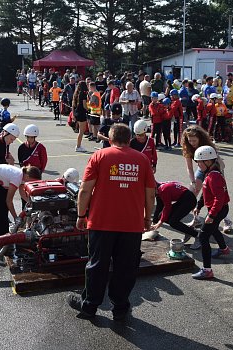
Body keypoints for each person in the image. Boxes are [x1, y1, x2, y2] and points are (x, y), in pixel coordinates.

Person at [67, 123, 155, 320]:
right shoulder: (142, 160)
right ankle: (121, 307)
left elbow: (85, 189)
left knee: (97, 264)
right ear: (130, 138)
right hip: (131, 224)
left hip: (101, 222)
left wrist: (81, 216)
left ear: (110, 138)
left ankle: (89, 306)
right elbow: (150, 194)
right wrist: (147, 218)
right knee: (125, 267)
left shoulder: (99, 156)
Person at [181, 125, 232, 234]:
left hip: (214, 169)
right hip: (201, 169)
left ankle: (226, 220)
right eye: (190, 140)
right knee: (192, 193)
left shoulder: (207, 146)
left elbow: (218, 164)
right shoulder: (188, 147)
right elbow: (189, 168)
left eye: (194, 140)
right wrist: (193, 181)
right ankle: (196, 219)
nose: (192, 143)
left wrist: (216, 176)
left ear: (200, 138)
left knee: (217, 196)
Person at [191, 146, 230, 280]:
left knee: (203, 237)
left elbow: (219, 199)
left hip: (218, 209)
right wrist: (199, 205)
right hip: (217, 209)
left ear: (208, 161)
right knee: (212, 230)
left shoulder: (214, 176)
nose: (198, 165)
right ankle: (224, 249)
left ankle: (207, 270)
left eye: (199, 162)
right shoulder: (210, 174)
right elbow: (206, 191)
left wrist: (212, 215)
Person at [150, 181, 200, 249]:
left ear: (154, 188)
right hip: (183, 199)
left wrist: (160, 223)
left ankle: (198, 236)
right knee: (160, 216)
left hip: (189, 200)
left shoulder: (163, 190)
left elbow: (167, 207)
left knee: (173, 222)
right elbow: (159, 207)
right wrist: (154, 223)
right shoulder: (159, 189)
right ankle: (188, 230)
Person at [72, 81, 89, 152]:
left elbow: (73, 105)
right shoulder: (83, 94)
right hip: (82, 113)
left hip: (77, 112)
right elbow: (84, 105)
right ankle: (78, 146)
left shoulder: (76, 93)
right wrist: (88, 109)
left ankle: (79, 145)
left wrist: (73, 114)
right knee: (81, 131)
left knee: (80, 130)